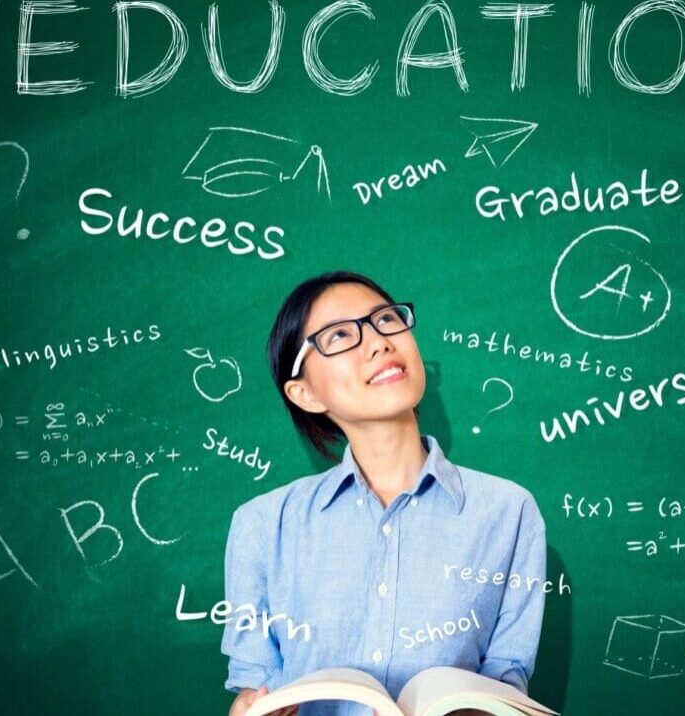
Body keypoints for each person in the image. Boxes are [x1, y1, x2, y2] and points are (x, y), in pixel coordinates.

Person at [223, 271, 547, 716]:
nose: (378, 342)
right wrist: (250, 707)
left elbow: (507, 680)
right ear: (305, 393)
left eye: (387, 320)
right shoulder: (262, 525)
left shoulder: (509, 512)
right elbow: (253, 682)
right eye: (339, 335)